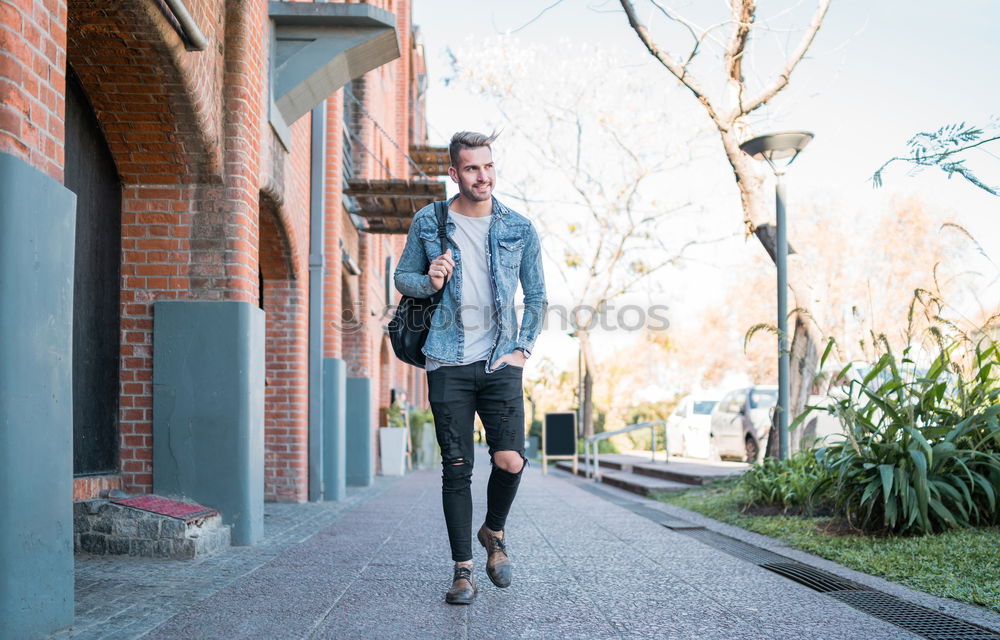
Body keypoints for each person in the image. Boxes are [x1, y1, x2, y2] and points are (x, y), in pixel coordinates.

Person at [394, 131, 547, 604]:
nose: (483, 176)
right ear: (454, 173)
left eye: (488, 167)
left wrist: (522, 349)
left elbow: (537, 296)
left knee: (511, 459)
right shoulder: (429, 221)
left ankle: (493, 532)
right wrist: (430, 278)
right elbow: (403, 278)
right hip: (446, 360)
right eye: (472, 169)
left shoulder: (518, 227)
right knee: (456, 467)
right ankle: (462, 570)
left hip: (500, 360)